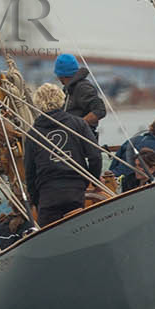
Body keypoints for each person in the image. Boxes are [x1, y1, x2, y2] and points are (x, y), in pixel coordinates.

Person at [25, 82, 102, 226]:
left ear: (38, 103)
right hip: (75, 189)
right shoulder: (78, 124)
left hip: (47, 195)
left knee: (48, 235)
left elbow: (30, 173)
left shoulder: (32, 134)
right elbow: (95, 155)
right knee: (79, 229)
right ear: (61, 99)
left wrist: (36, 200)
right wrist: (92, 180)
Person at [53, 53, 106, 132]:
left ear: (60, 75)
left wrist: (77, 125)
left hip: (82, 138)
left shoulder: (82, 87)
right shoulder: (69, 88)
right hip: (70, 136)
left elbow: (100, 110)